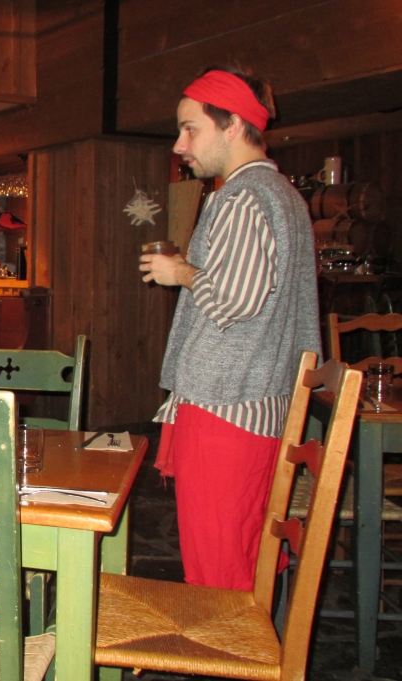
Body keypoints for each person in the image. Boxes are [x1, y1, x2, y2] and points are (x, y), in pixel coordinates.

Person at [141, 67, 321, 591]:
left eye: (190, 129)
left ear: (234, 125)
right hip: (259, 402)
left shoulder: (243, 198)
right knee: (244, 555)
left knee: (218, 573)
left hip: (227, 407)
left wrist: (182, 272)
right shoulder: (285, 195)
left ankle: (229, 644)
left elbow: (234, 301)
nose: (180, 145)